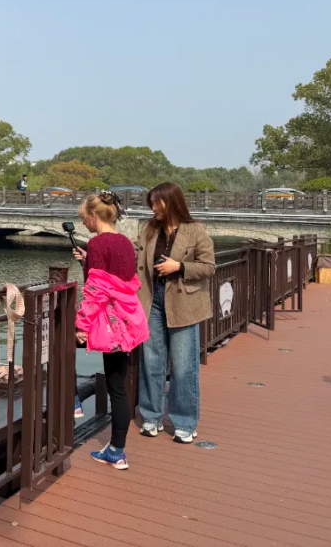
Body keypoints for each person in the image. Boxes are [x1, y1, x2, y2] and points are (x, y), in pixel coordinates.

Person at [72, 192, 148, 469]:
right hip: (129, 320)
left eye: (84, 219)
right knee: (120, 386)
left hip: (110, 323)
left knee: (64, 347)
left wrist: (81, 325)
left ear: (94, 217)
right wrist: (86, 261)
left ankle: (77, 404)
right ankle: (117, 447)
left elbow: (96, 290)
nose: (84, 224)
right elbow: (120, 278)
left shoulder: (97, 243)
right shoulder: (125, 242)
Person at [136, 182, 216, 444]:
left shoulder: (195, 230)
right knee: (151, 362)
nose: (152, 208)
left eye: (156, 203)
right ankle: (151, 416)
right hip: (152, 301)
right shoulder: (148, 228)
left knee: (183, 366)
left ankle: (185, 421)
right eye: (151, 203)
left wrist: (179, 266)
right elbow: (134, 258)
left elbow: (208, 267)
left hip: (183, 303)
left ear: (171, 203)